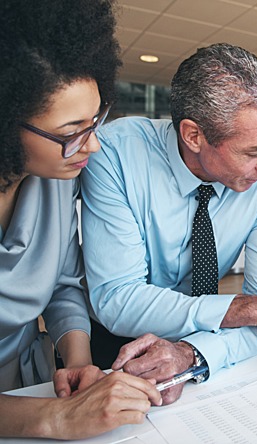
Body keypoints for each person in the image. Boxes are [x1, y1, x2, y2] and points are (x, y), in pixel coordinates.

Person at [81, 43, 257, 405]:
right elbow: (117, 299)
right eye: (253, 151)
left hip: (214, 346)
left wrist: (193, 354)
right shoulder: (114, 154)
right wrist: (248, 308)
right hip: (116, 347)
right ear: (194, 136)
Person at [0, 0, 161, 439]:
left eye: (96, 122)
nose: (91, 146)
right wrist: (57, 419)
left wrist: (79, 362)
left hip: (31, 385)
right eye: (72, 134)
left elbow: (63, 285)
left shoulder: (54, 177)